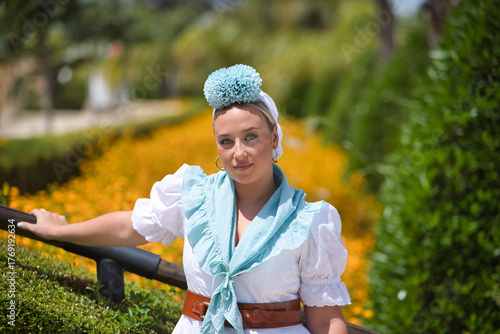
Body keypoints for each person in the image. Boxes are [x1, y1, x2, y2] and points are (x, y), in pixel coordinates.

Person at [19, 64, 351, 334]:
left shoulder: (310, 220)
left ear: (274, 135)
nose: (239, 153)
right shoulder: (194, 195)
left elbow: (326, 322)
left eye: (251, 137)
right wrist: (61, 231)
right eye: (226, 141)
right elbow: (128, 227)